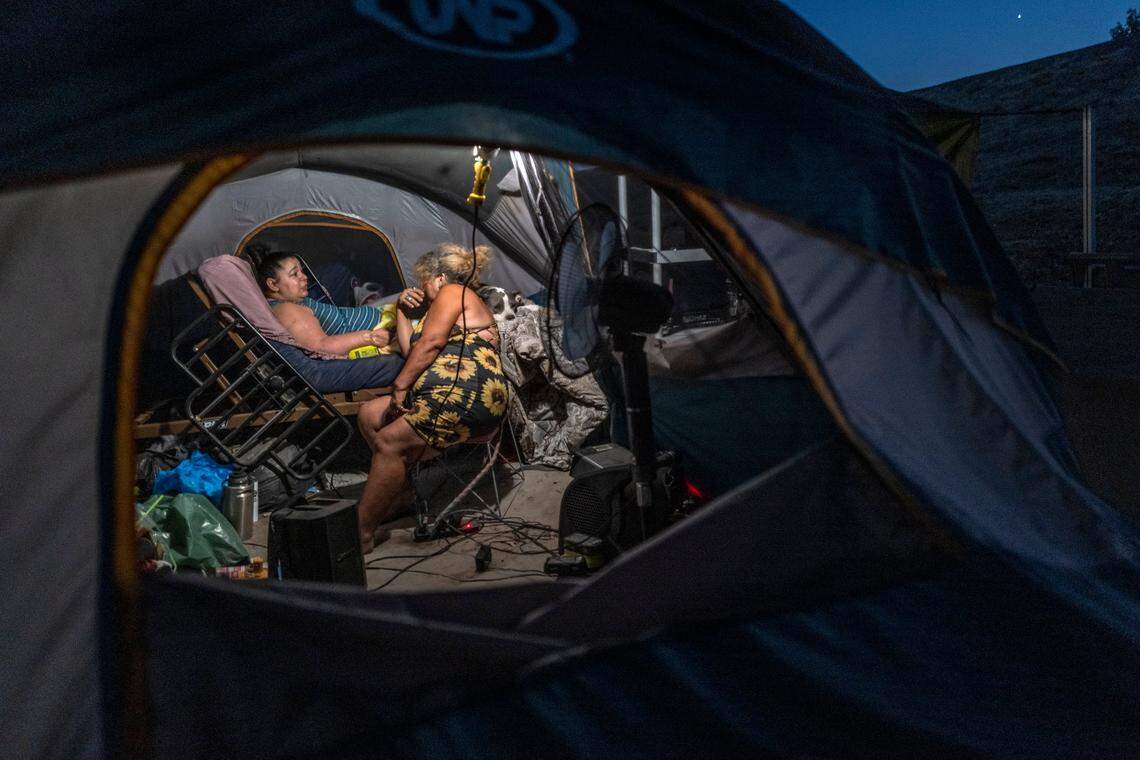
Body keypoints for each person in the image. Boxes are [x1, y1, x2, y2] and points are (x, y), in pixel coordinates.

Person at [355, 243, 509, 552]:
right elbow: (414, 351)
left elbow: (432, 343)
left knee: (388, 442)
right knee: (370, 414)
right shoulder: (437, 310)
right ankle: (400, 494)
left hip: (469, 395)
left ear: (437, 278)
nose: (421, 290)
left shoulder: (454, 292)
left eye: (423, 281)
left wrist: (400, 386)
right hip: (441, 393)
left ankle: (360, 532)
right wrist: (401, 310)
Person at [257, 251, 394, 356]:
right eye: (294, 274)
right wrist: (371, 337)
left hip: (381, 315)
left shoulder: (293, 301)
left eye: (302, 271)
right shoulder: (288, 310)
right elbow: (321, 347)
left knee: (409, 295)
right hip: (383, 326)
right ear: (273, 285)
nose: (304, 277)